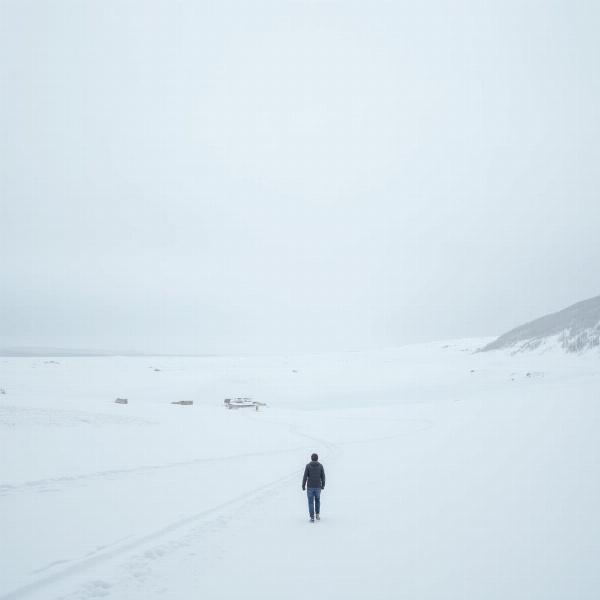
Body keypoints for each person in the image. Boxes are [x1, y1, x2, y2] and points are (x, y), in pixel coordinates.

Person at [302, 453, 325, 522]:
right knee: (317, 500)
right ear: (317, 458)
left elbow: (305, 476)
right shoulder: (320, 466)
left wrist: (303, 485)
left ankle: (312, 517)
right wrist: (323, 485)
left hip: (310, 487)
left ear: (311, 458)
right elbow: (323, 477)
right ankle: (317, 514)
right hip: (318, 486)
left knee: (310, 502)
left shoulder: (308, 466)